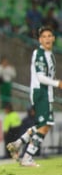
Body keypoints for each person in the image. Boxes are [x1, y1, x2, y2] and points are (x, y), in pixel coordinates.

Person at [7, 26, 62, 167]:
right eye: (44, 36)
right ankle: (27, 157)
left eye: (50, 35)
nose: (47, 38)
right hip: (40, 92)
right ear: (39, 40)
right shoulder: (39, 53)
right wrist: (57, 83)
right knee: (45, 125)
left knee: (44, 125)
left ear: (54, 38)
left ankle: (18, 143)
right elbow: (40, 77)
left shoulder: (50, 55)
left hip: (47, 93)